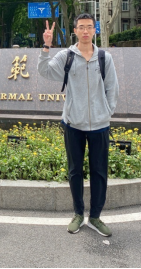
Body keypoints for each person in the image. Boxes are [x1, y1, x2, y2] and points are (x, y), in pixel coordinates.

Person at [38, 14, 119, 238]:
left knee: (99, 172)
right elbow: (44, 71)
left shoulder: (104, 57)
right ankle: (78, 214)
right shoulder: (67, 56)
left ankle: (95, 217)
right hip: (73, 123)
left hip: (100, 125)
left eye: (89, 27)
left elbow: (112, 87)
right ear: (75, 30)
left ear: (95, 30)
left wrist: (107, 111)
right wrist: (46, 46)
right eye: (81, 27)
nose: (85, 31)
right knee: (75, 171)